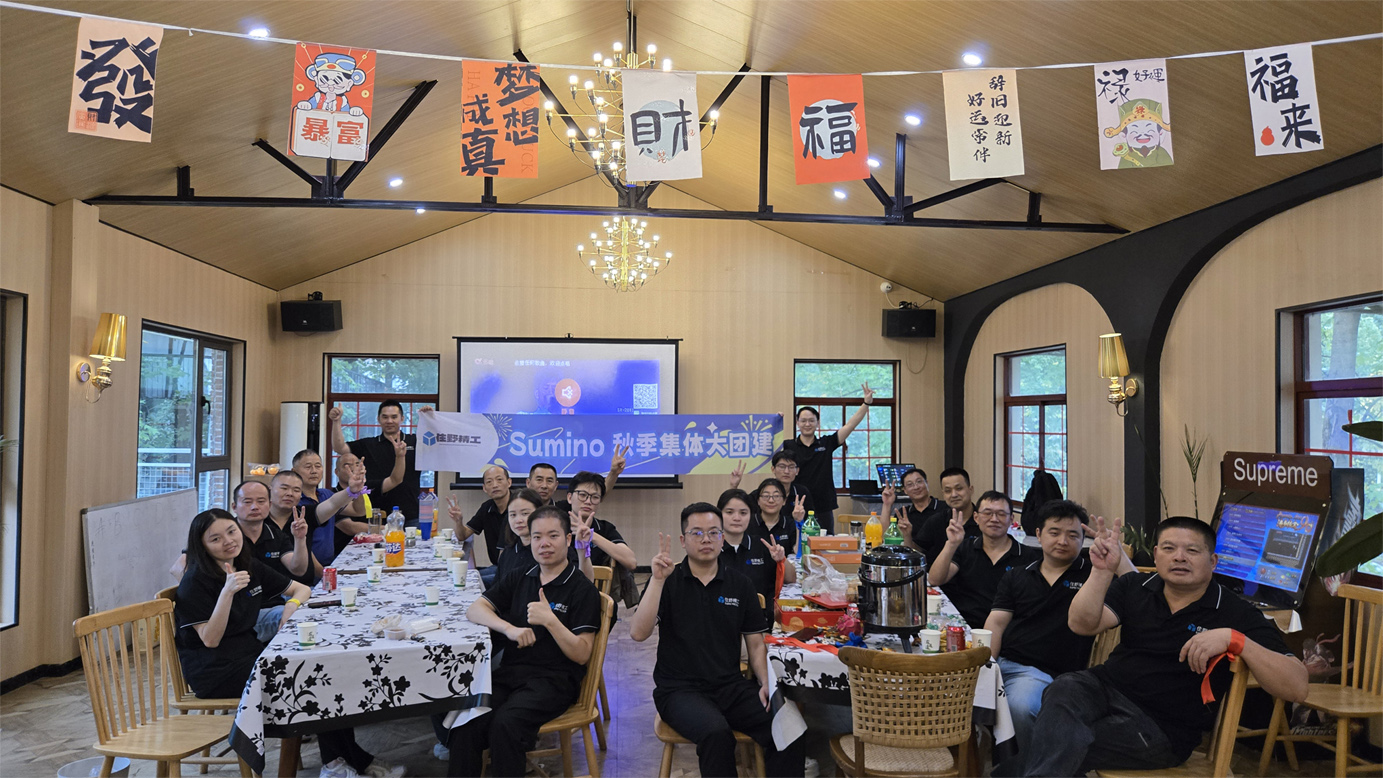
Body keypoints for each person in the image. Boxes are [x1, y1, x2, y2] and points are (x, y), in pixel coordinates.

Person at [1019, 517, 1309, 777]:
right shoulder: (1136, 586)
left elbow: (1297, 687)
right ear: (1156, 555)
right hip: (1105, 689)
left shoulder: (1235, 612)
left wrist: (1236, 640)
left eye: (1192, 550)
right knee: (1064, 687)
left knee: (1058, 737)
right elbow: (1081, 624)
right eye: (1169, 548)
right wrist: (1102, 572)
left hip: (1161, 729)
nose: (1179, 557)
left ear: (1213, 561)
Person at [173, 509, 403, 778]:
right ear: (201, 546)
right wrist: (227, 592)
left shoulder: (246, 564)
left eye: (231, 531)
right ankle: (337, 765)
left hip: (252, 657)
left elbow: (301, 588)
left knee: (322, 671)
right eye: (215, 539)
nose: (228, 541)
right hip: (215, 671)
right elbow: (210, 640)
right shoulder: (195, 581)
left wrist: (290, 606)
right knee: (311, 679)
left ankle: (349, 760)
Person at [631, 503, 806, 778]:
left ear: (722, 538)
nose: (706, 539)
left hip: (729, 685)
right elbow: (638, 633)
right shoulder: (668, 581)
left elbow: (755, 643)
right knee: (716, 734)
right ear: (683, 540)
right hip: (678, 691)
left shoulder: (740, 584)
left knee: (789, 727)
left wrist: (765, 683)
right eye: (697, 533)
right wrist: (656, 581)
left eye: (714, 533)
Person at [447, 506, 602, 778]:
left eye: (553, 536)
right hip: (511, 674)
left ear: (568, 539)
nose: (544, 543)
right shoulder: (522, 575)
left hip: (555, 681)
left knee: (506, 725)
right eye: (537, 536)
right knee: (467, 721)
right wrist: (509, 629)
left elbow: (582, 654)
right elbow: (475, 609)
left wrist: (551, 621)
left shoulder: (582, 588)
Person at [983, 501, 1134, 766]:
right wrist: (986, 667)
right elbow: (996, 622)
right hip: (1003, 664)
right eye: (1054, 532)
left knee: (1020, 707)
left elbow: (1138, 591)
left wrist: (1118, 556)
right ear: (1038, 534)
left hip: (1045, 673)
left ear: (1084, 540)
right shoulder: (1018, 575)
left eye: (1073, 535)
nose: (1063, 541)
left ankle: (1019, 772)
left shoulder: (1095, 574)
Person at [928, 490, 1039, 629]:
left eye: (1001, 514)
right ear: (976, 517)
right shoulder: (966, 547)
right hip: (965, 626)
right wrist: (951, 544)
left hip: (1006, 629)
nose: (994, 519)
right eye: (987, 513)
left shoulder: (1027, 556)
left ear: (1011, 519)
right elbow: (935, 580)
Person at [781, 385, 875, 534]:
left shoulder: (826, 443)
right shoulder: (788, 445)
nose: (807, 424)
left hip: (823, 505)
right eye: (803, 421)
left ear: (817, 423)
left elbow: (850, 425)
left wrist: (866, 403)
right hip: (796, 504)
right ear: (797, 423)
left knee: (825, 543)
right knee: (796, 542)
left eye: (811, 421)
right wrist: (776, 421)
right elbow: (766, 447)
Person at [329, 401, 430, 526]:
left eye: (394, 417)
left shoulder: (414, 441)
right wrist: (336, 421)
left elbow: (438, 444)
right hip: (377, 515)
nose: (389, 421)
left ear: (402, 418)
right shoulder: (369, 444)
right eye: (385, 417)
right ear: (378, 419)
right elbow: (339, 448)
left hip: (411, 514)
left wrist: (429, 418)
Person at [493, 489, 590, 584]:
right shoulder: (508, 553)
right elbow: (497, 589)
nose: (518, 520)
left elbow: (582, 584)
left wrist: (583, 548)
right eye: (513, 515)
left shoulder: (559, 550)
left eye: (525, 513)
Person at [718, 489, 795, 605]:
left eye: (743, 513)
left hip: (760, 613)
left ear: (750, 515)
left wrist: (781, 559)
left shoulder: (761, 545)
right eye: (729, 512)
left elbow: (791, 579)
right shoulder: (711, 548)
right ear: (719, 515)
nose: (737, 518)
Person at [293, 449, 367, 566]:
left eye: (318, 466)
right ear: (294, 471)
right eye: (308, 467)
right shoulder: (294, 501)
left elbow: (358, 511)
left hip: (331, 563)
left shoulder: (326, 494)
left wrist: (358, 489)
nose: (314, 471)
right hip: (307, 567)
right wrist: (322, 572)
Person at [264, 470, 322, 586]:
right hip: (268, 592)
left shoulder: (303, 516)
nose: (289, 494)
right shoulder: (258, 521)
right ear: (270, 489)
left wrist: (351, 492)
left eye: (296, 490)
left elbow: (333, 504)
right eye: (284, 488)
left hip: (304, 587)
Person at [878, 467, 951, 560]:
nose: (916, 487)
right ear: (905, 490)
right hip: (913, 561)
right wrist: (887, 504)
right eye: (910, 484)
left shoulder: (945, 508)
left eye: (919, 482)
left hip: (943, 561)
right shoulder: (903, 514)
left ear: (927, 483)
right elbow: (885, 536)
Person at [449, 465, 512, 567]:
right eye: (489, 482)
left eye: (499, 480)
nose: (495, 485)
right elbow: (462, 536)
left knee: (468, 575)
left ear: (509, 482)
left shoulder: (520, 506)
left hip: (515, 568)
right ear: (484, 488)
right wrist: (458, 521)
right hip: (497, 567)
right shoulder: (487, 508)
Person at [728, 452, 814, 518]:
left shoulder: (802, 492)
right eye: (782, 466)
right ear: (773, 469)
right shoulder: (762, 493)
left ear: (797, 471)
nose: (786, 471)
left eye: (791, 467)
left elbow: (812, 520)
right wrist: (733, 486)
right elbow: (738, 508)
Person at [328, 452, 376, 556]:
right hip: (342, 551)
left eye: (357, 464)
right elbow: (351, 528)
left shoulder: (365, 491)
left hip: (369, 547)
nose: (353, 468)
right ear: (336, 472)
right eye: (347, 466)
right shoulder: (331, 495)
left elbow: (360, 511)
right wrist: (385, 529)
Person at [749, 478, 804, 551]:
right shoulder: (748, 523)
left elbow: (797, 551)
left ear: (784, 501)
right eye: (766, 496)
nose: (771, 500)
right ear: (758, 501)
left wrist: (799, 522)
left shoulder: (789, 524)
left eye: (776, 496)